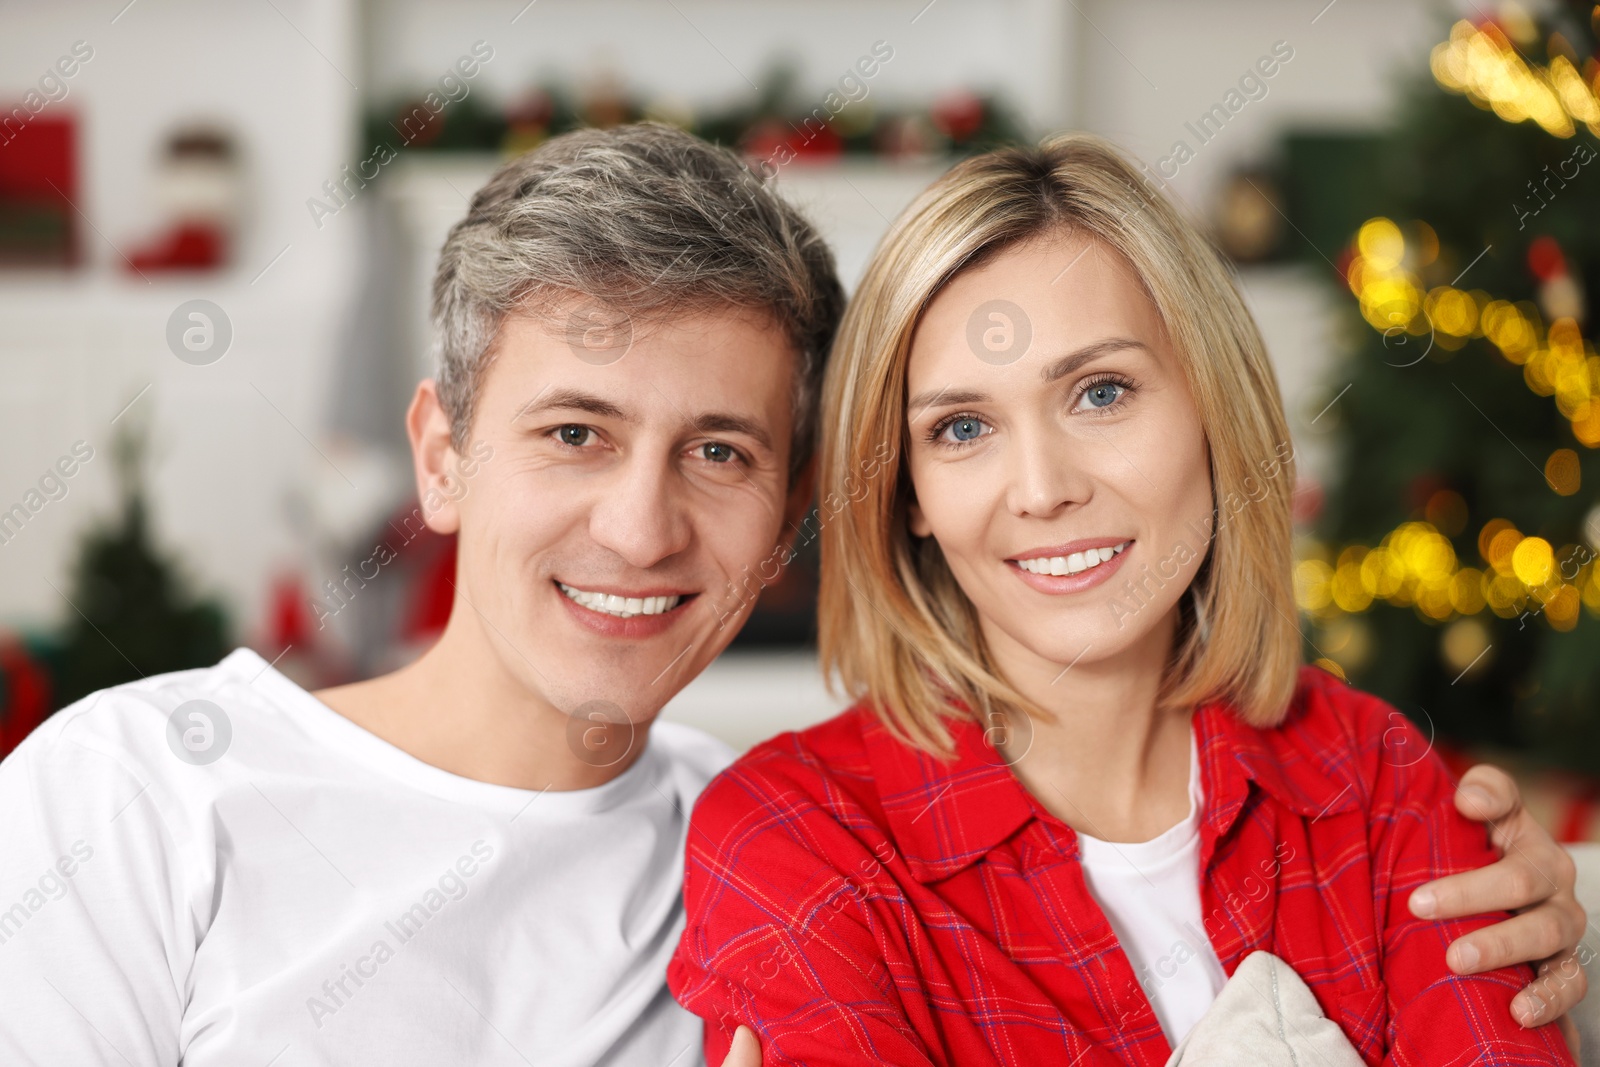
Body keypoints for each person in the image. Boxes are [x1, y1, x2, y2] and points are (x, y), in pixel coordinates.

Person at [0, 123, 1581, 1066]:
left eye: (720, 451)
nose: (641, 523)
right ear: (441, 455)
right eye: (573, 432)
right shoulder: (133, 793)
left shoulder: (740, 831)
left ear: (793, 521)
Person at [667, 132, 1589, 1065]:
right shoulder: (791, 843)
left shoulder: (1384, 781)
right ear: (908, 491)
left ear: (1211, 410)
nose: (1042, 487)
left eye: (1101, 392)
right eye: (962, 426)